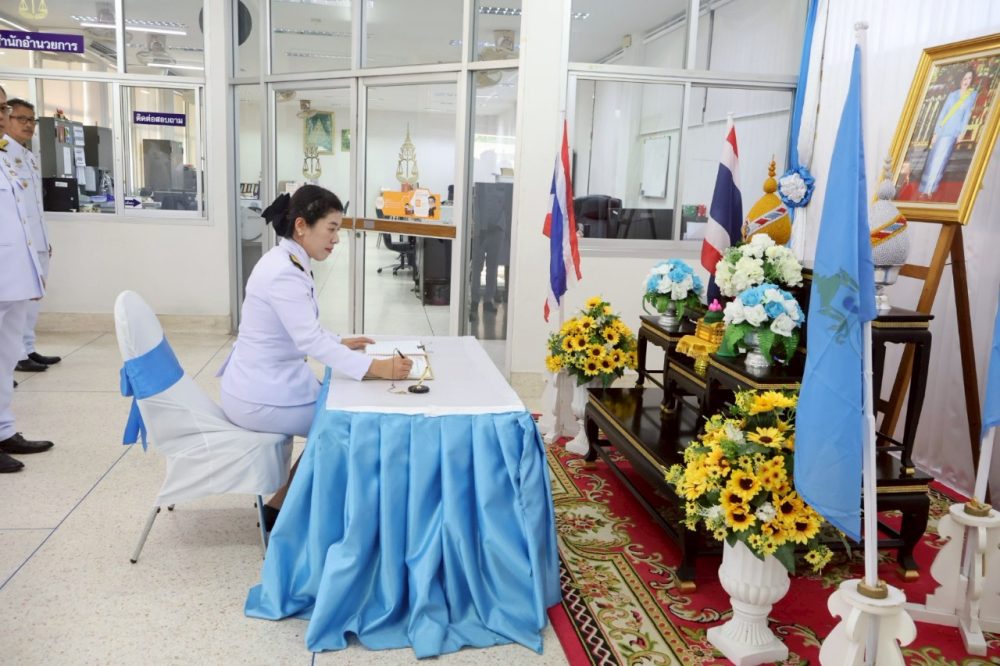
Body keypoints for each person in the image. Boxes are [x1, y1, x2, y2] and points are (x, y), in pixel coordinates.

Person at [219, 185, 411, 527]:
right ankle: (284, 511)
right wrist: (377, 367)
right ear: (301, 226)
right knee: (348, 424)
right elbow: (308, 339)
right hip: (259, 396)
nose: (336, 239)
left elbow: (302, 326)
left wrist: (338, 341)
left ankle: (285, 506)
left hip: (262, 383)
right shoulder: (283, 271)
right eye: (332, 228)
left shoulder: (289, 260)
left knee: (343, 417)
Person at [0, 83, 55, 473]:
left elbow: (22, 220)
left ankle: (4, 430)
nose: (3, 117)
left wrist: (34, 270)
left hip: (13, 277)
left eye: (4, 108)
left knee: (5, 358)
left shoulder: (6, 157)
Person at [5, 98, 61, 372]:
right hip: (16, 245)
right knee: (17, 303)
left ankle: (27, 348)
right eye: (21, 119)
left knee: (33, 301)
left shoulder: (29, 157)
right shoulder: (3, 155)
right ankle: (15, 355)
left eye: (32, 120)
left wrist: (44, 239)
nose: (28, 125)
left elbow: (35, 206)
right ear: (6, 119)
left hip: (36, 240)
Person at [919, 68, 977, 199]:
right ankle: (926, 188)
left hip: (952, 132)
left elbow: (966, 116)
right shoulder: (952, 95)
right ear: (960, 79)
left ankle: (930, 189)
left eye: (969, 78)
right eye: (965, 78)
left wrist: (961, 133)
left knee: (941, 159)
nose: (967, 81)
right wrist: (936, 132)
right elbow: (943, 114)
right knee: (933, 158)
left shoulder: (970, 96)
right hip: (942, 130)